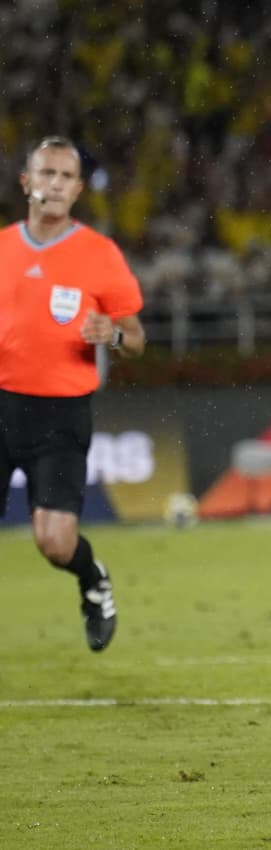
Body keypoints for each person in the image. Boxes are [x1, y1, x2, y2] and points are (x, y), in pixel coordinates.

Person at [0, 136, 146, 652]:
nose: (55, 185)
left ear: (78, 189)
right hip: (2, 404)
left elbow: (137, 339)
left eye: (65, 177)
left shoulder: (98, 255)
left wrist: (114, 335)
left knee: (54, 543)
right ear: (27, 183)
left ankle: (92, 580)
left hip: (60, 416)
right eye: (46, 174)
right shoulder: (2, 247)